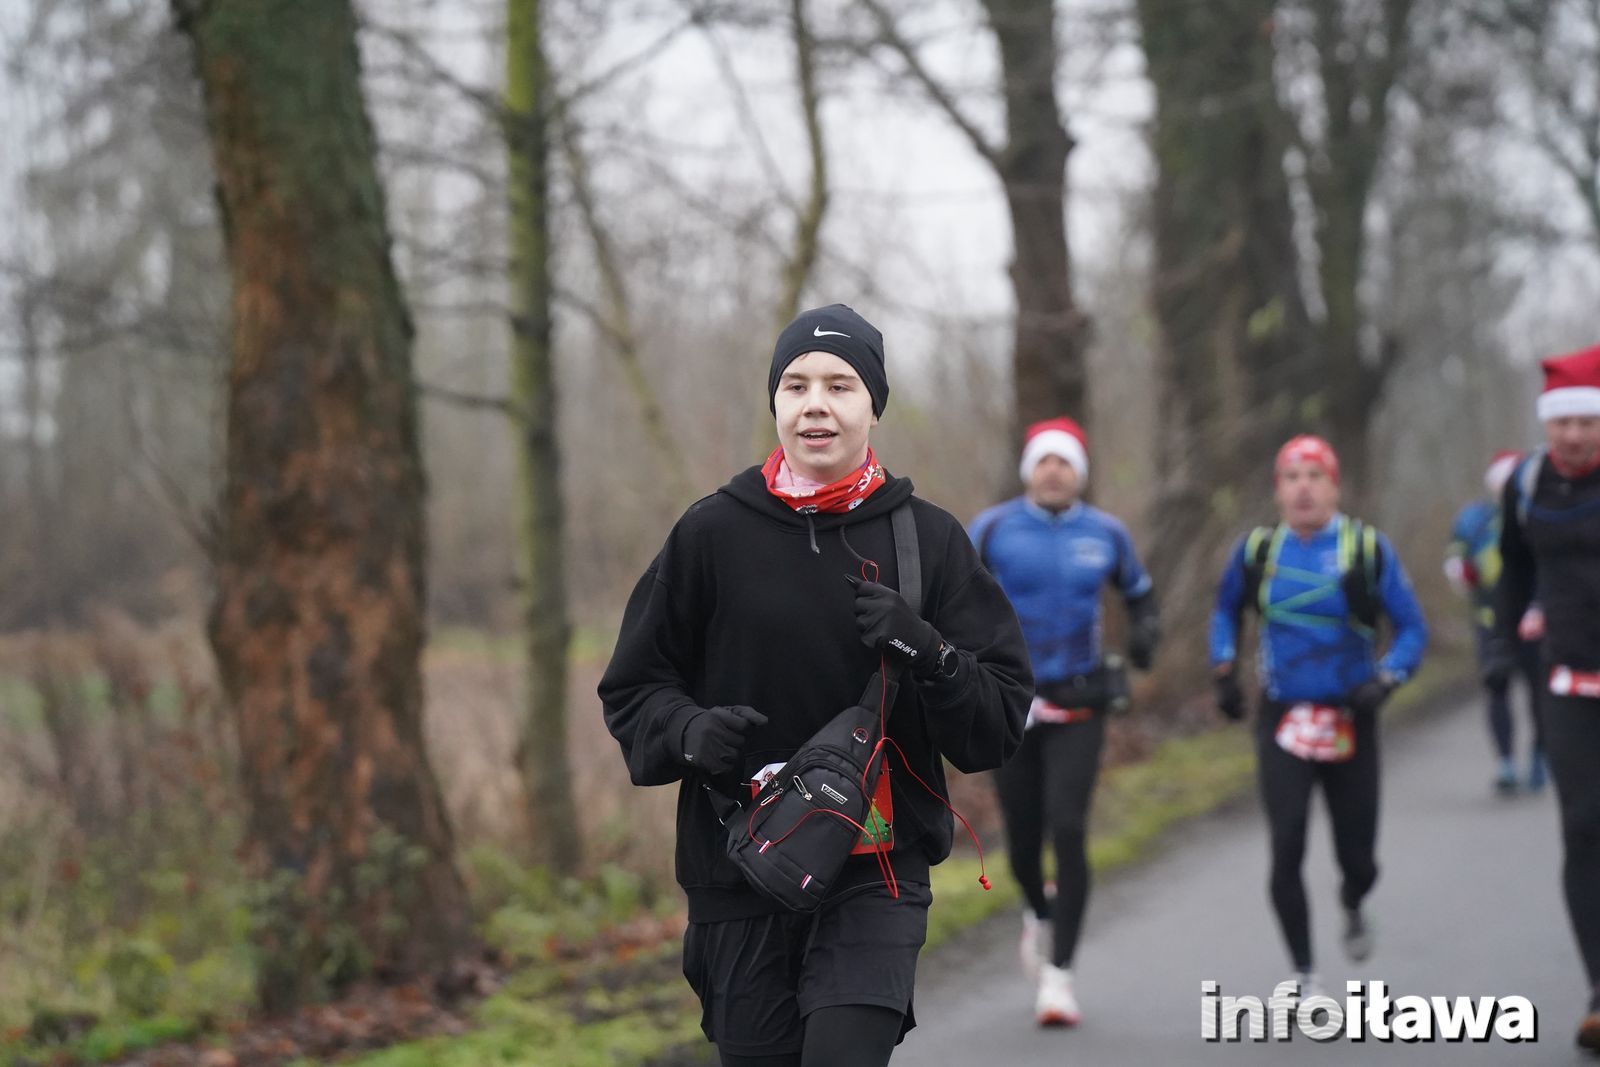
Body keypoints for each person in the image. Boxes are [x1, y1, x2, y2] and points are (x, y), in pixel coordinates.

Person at [598, 303, 1032, 1067]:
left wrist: (929, 650)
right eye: (796, 385)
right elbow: (634, 687)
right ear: (775, 401)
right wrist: (688, 731)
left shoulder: (927, 541)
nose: (816, 404)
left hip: (877, 872)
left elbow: (998, 718)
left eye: (840, 385)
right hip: (738, 869)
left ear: (874, 405)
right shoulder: (711, 533)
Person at [1210, 435, 1427, 991]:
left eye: (1315, 476)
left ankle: (1353, 899)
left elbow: (1412, 629)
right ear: (1277, 490)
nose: (1303, 488)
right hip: (1283, 717)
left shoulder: (1366, 548)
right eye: (1292, 477)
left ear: (1335, 487)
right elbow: (1225, 610)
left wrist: (1387, 678)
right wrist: (1224, 668)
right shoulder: (1258, 552)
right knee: (1286, 846)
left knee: (1360, 860)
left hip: (1351, 715)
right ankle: (1304, 972)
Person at [968, 416, 1159, 1027]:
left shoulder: (1106, 533)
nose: (1054, 471)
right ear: (1030, 470)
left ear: (1080, 473)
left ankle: (1060, 978)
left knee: (1069, 826)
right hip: (1010, 701)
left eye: (1065, 462)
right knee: (1022, 838)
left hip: (1079, 698)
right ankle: (1037, 907)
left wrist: (1146, 632)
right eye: (1044, 461)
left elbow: (1139, 592)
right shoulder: (993, 528)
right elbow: (953, 596)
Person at [1488, 342, 1600, 1052]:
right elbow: (1511, 571)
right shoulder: (1527, 486)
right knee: (1583, 829)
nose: (1575, 435)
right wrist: (1501, 647)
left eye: (1588, 422)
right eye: (1564, 422)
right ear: (1547, 423)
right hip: (1567, 679)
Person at [1444, 450, 1546, 794]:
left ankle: (1540, 753)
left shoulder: (1537, 513)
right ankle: (1505, 761)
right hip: (1490, 622)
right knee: (1497, 689)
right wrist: (1461, 572)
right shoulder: (1473, 520)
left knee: (1539, 693)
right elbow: (1455, 560)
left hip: (1534, 623)